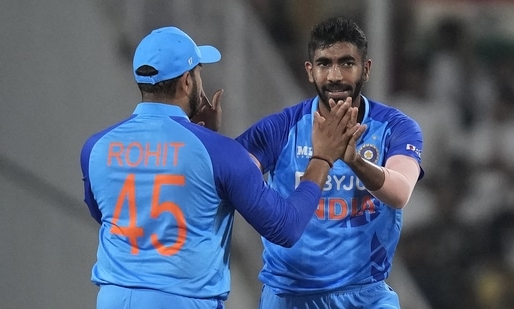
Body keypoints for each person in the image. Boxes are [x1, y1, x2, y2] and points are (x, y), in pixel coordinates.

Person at [79, 26, 364, 309]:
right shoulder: (221, 154)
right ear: (187, 82)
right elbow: (285, 227)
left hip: (113, 298)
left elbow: (107, 213)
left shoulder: (96, 147)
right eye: (199, 72)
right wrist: (323, 158)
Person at [236, 16, 424, 308]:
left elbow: (400, 194)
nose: (335, 76)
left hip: (366, 295)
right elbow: (232, 178)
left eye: (347, 63)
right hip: (289, 295)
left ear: (366, 68)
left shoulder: (395, 128)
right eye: (324, 64)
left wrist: (354, 160)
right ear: (310, 72)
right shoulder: (280, 128)